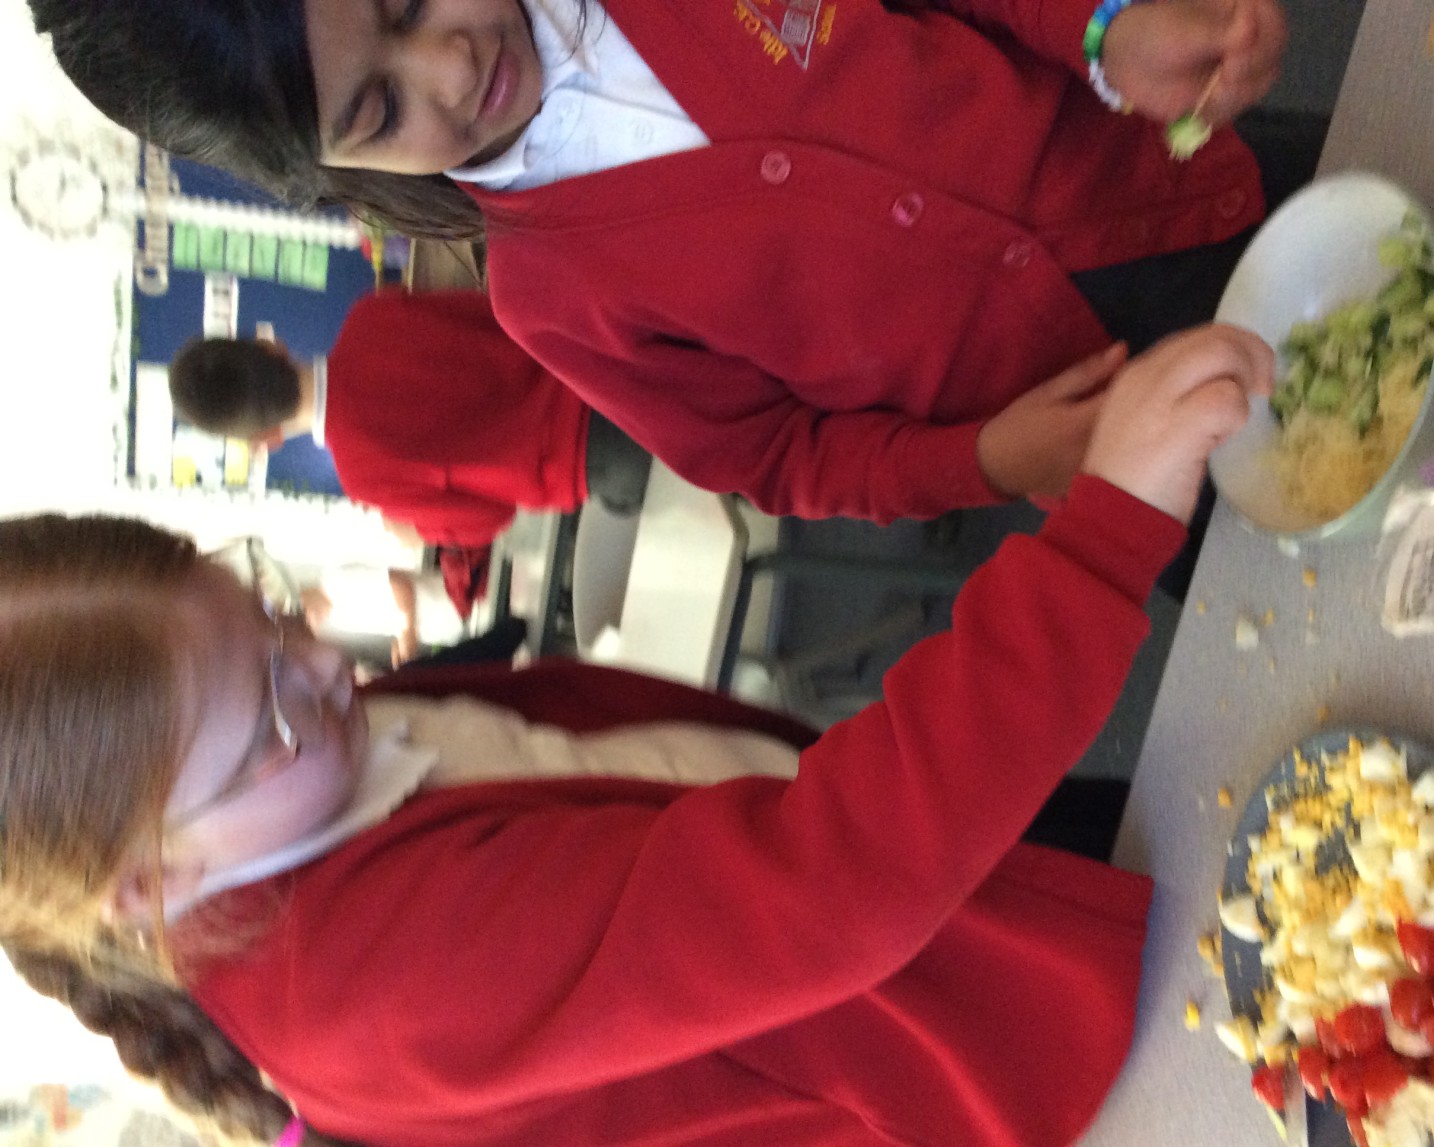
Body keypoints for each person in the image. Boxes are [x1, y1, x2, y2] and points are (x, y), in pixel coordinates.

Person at [0, 323, 1270, 1147]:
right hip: (1016, 1063)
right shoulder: (363, 982)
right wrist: (1104, 537)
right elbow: (819, 889)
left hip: (972, 910)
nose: (328, 665)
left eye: (276, 615)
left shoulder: (308, 776)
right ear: (144, 883)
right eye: (270, 705)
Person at [29, 0, 1317, 525]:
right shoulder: (551, 301)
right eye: (379, 108)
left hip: (1195, 183)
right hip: (1108, 427)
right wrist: (982, 460)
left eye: (413, 1)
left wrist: (1101, 24)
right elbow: (782, 458)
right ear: (342, 170)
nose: (450, 68)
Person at [170, 288, 653, 550]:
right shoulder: (371, 316)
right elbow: (502, 311)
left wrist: (419, 533)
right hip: (619, 364)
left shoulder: (364, 478)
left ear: (264, 441)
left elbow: (490, 518)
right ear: (270, 346)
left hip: (602, 463)